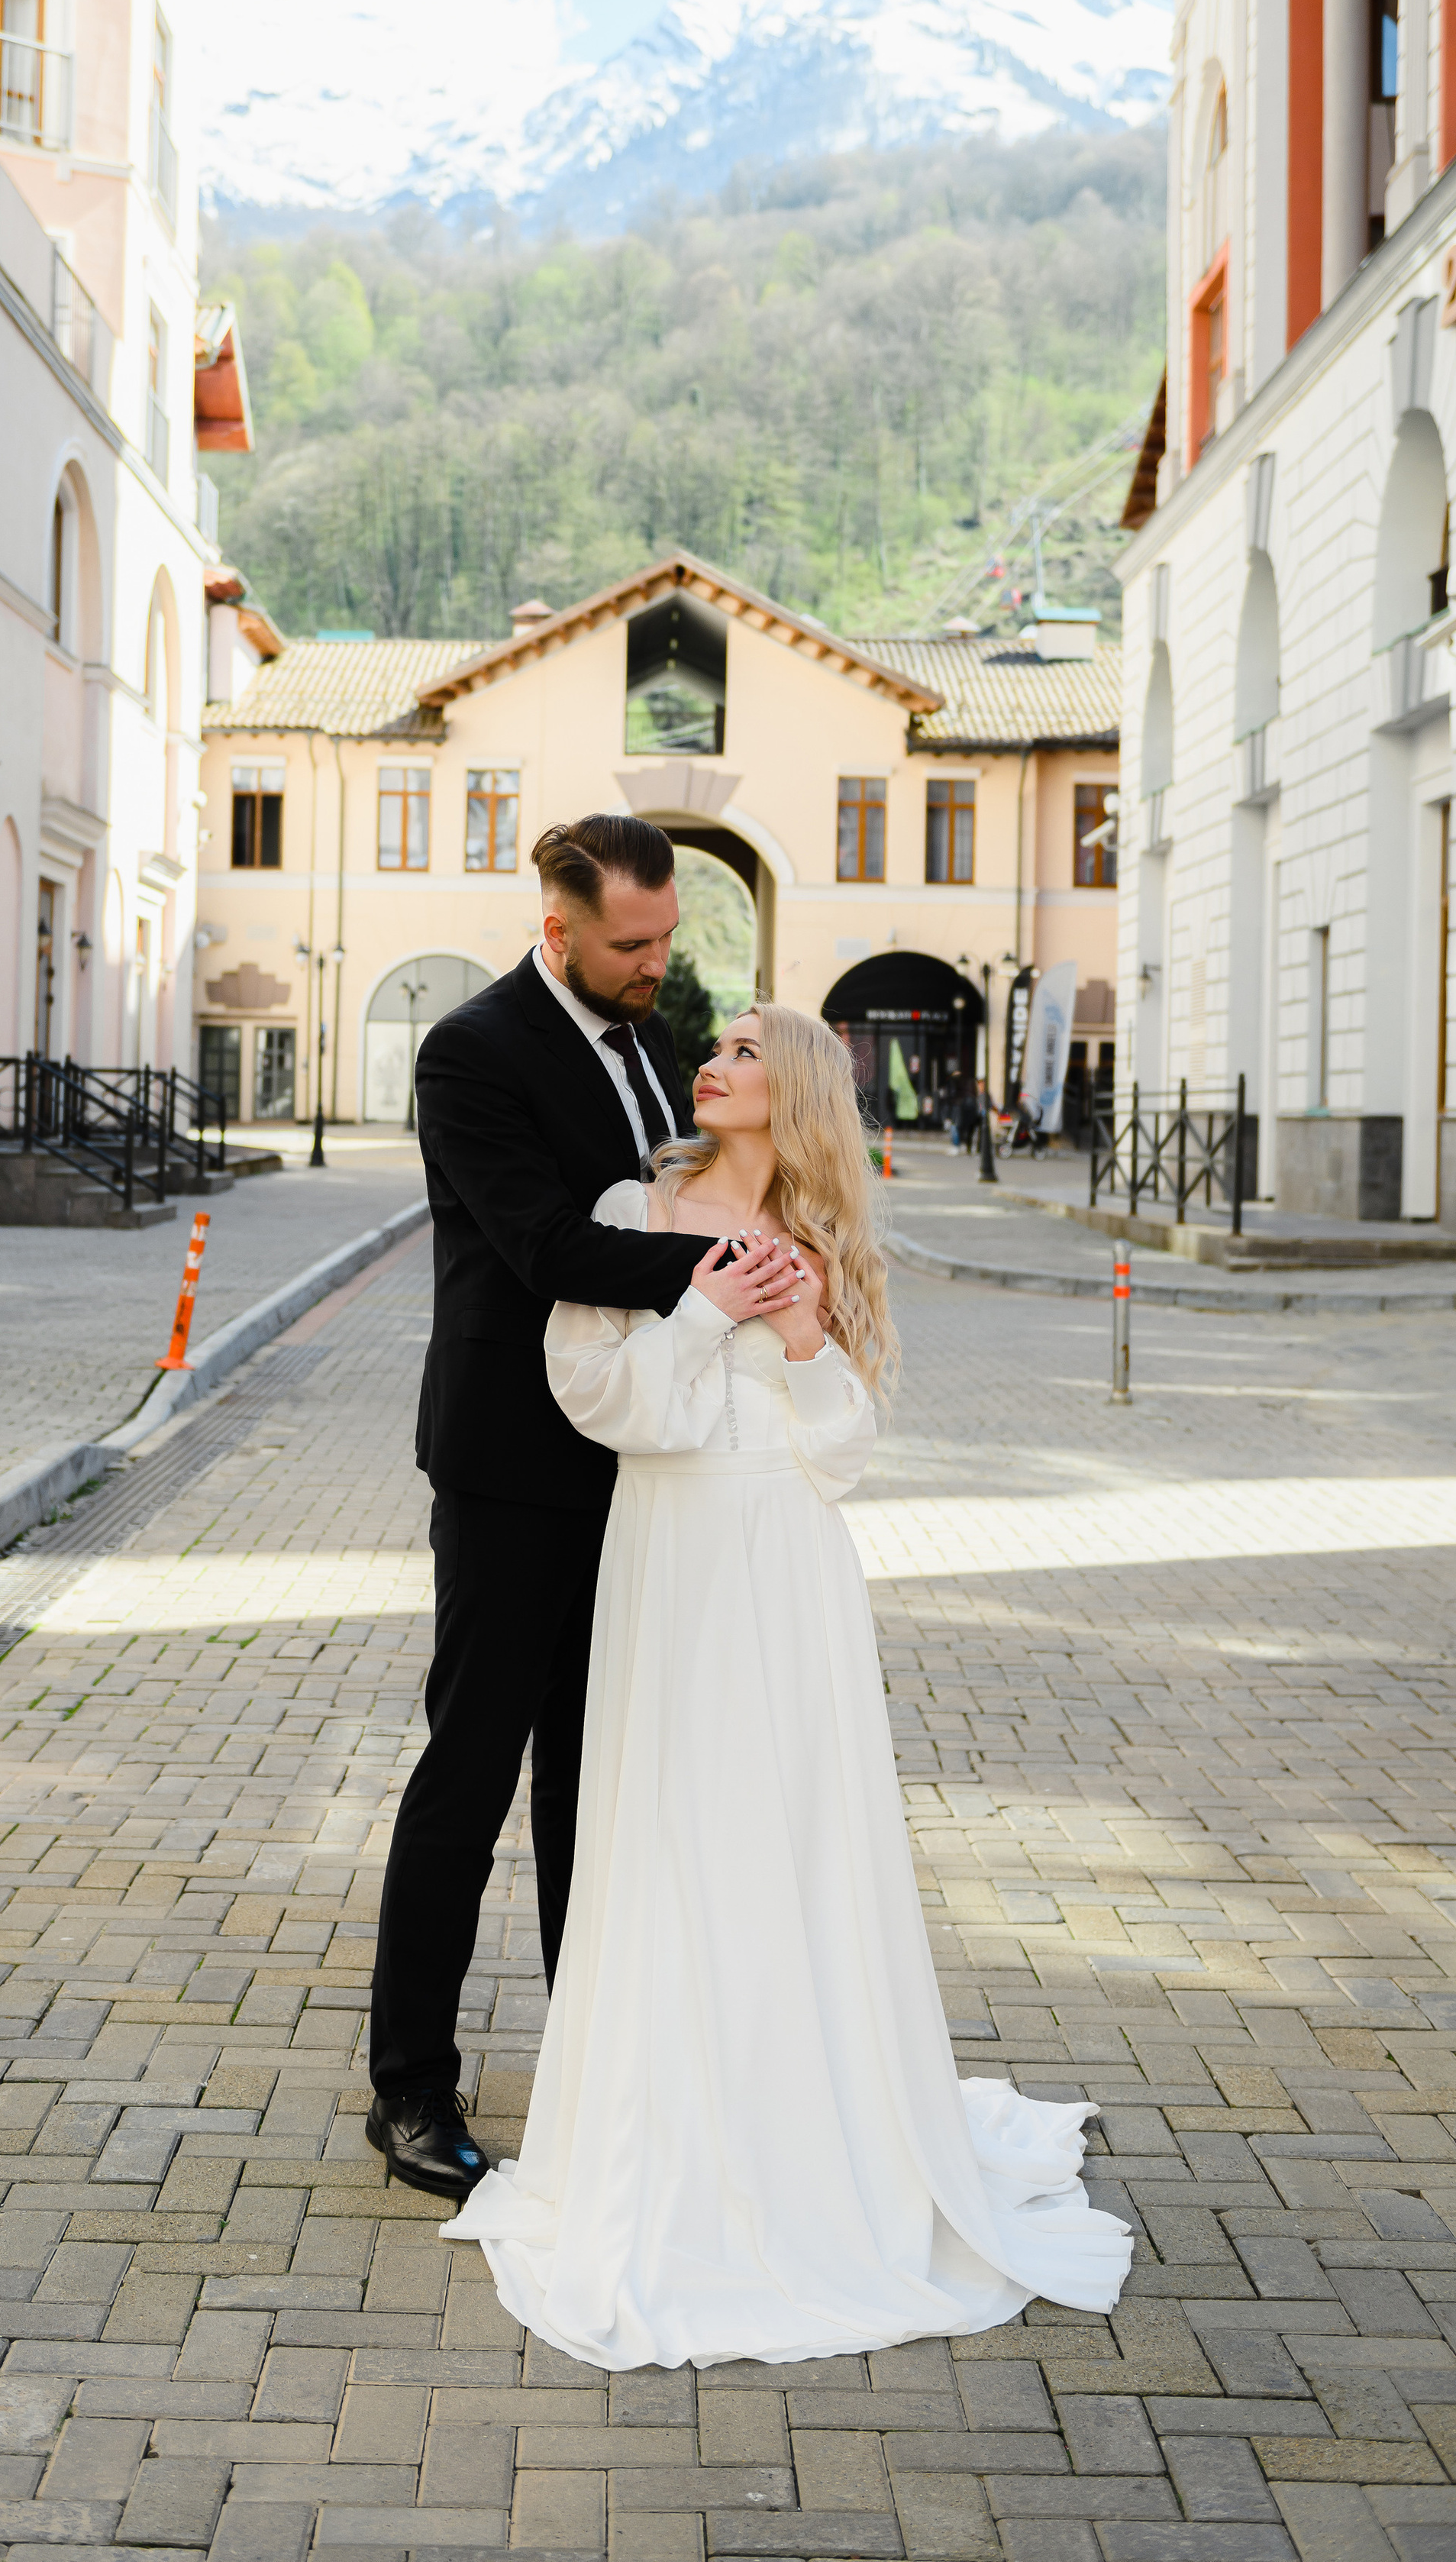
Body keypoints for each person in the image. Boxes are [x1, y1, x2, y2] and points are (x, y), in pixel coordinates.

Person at [444, 1003, 1132, 2367]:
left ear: (799, 1086)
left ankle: (814, 2123)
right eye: (719, 1045)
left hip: (795, 1567)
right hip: (672, 1547)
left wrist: (810, 1342)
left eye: (751, 1050)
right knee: (675, 1830)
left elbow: (849, 1455)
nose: (717, 1061)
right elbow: (603, 1398)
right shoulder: (633, 1202)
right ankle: (677, 2127)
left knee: (796, 1836)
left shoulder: (828, 1229)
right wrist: (704, 1305)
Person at [367, 814, 803, 2200]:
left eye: (667, 939)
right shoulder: (472, 1051)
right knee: (472, 1773)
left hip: (636, 1464)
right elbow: (548, 1246)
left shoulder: (645, 1035)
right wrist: (722, 1267)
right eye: (632, 943)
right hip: (509, 1468)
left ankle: (597, 2045)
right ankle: (410, 2090)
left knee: (595, 1780)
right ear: (557, 928)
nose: (657, 966)